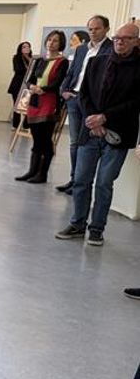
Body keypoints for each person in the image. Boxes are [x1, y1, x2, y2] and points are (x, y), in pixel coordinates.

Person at [56, 22, 140, 246]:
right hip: (90, 131)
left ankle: (96, 229)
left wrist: (106, 118)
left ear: (136, 41)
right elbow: (84, 94)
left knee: (104, 183)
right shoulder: (96, 62)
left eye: (126, 38)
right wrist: (94, 119)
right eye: (117, 38)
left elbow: (135, 103)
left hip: (118, 134)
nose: (119, 41)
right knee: (82, 180)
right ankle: (77, 224)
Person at [57, 15, 113, 193]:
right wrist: (64, 90)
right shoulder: (81, 49)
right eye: (90, 29)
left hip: (92, 103)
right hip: (74, 99)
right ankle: (74, 179)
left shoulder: (111, 49)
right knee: (74, 142)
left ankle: (83, 180)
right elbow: (72, 72)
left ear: (106, 29)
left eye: (97, 28)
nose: (93, 32)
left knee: (87, 143)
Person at [15, 31, 67, 184]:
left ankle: (42, 173)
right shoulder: (39, 60)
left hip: (49, 101)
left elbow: (57, 82)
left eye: (55, 41)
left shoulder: (62, 61)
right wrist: (32, 87)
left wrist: (42, 89)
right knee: (36, 138)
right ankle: (32, 171)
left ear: (60, 44)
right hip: (35, 100)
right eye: (49, 40)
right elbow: (29, 79)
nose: (51, 43)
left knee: (45, 139)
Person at [8, 41, 33, 129]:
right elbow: (18, 69)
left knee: (27, 105)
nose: (26, 48)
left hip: (28, 85)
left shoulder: (32, 59)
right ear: (20, 49)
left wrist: (30, 61)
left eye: (28, 47)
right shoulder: (16, 57)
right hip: (17, 84)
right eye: (24, 47)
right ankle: (15, 125)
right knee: (16, 104)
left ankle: (26, 126)